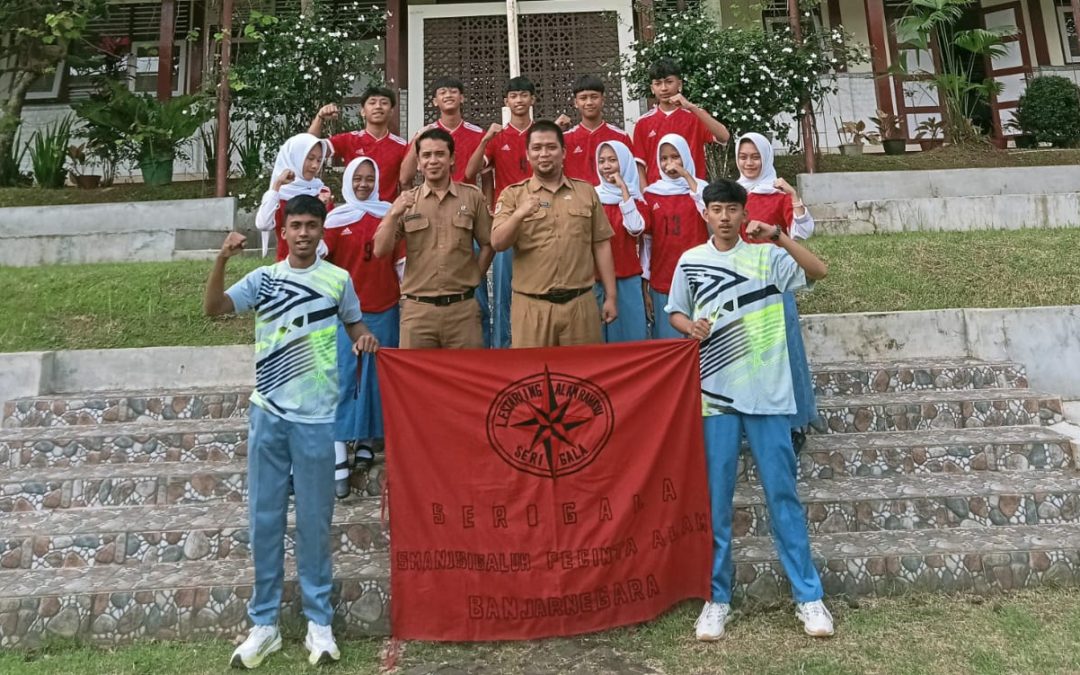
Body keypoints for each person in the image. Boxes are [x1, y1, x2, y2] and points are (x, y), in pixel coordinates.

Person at [204, 195, 379, 668]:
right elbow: (214, 308)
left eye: (311, 226)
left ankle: (319, 621)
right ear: (283, 232)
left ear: (321, 232)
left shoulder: (337, 280)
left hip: (318, 420)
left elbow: (356, 325)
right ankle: (264, 624)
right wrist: (221, 260)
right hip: (269, 415)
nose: (303, 233)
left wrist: (364, 338)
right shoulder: (264, 279)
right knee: (265, 521)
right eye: (295, 225)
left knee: (315, 523)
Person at [665, 179, 832, 642]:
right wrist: (689, 327)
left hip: (769, 394)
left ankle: (808, 595)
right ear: (705, 214)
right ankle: (716, 599)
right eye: (716, 209)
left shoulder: (768, 257)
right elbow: (675, 311)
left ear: (744, 213)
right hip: (715, 397)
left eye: (731, 210)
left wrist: (778, 235)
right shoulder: (690, 261)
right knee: (716, 500)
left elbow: (819, 271)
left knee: (783, 495)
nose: (724, 217)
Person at [491, 120, 617, 348]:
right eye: (537, 148)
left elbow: (601, 245)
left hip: (580, 305)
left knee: (584, 369)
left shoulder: (586, 192)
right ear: (527, 154)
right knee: (532, 370)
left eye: (551, 147)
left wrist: (611, 296)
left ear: (564, 152)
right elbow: (498, 243)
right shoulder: (513, 195)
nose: (544, 154)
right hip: (532, 307)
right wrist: (519, 214)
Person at [323, 157, 404, 499]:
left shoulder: (389, 214)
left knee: (376, 380)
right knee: (345, 380)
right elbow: (319, 260)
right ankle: (339, 452)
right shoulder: (334, 219)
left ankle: (368, 441)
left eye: (370, 178)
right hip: (346, 316)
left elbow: (400, 262)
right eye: (357, 178)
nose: (363, 184)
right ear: (347, 180)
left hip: (385, 308)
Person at [374, 127, 493, 348]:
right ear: (418, 163)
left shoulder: (472, 197)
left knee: (466, 369)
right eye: (426, 155)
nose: (433, 161)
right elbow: (380, 250)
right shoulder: (407, 202)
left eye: (440, 154)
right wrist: (393, 214)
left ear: (452, 159)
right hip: (418, 312)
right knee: (414, 371)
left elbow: (488, 244)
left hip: (463, 310)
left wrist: (476, 275)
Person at [736, 132, 817, 452]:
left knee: (785, 353)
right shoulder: (733, 194)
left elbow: (803, 232)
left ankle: (794, 423)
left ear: (766, 157)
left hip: (775, 282)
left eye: (755, 156)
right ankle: (753, 420)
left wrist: (794, 196)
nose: (749, 163)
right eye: (743, 156)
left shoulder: (777, 193)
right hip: (742, 284)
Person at [398, 76, 494, 346]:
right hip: (429, 213)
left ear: (462, 98)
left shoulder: (477, 133)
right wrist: (417, 139)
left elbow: (487, 178)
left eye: (454, 91)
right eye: (442, 92)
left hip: (467, 213)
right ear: (434, 101)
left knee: (476, 303)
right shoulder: (425, 135)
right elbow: (405, 177)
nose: (449, 95)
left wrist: (488, 206)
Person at [465, 76, 537, 348]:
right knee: (503, 289)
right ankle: (502, 346)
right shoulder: (498, 138)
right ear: (506, 101)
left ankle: (535, 343)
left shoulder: (542, 134)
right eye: (513, 96)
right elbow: (471, 172)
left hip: (539, 217)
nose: (519, 100)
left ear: (533, 99)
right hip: (506, 220)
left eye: (524, 95)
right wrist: (485, 139)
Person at [642, 133, 709, 339]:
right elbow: (647, 243)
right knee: (669, 342)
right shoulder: (651, 193)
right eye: (663, 158)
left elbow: (708, 213)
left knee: (701, 340)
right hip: (664, 279)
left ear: (686, 156)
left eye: (675, 156)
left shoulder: (700, 188)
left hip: (700, 278)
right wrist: (645, 284)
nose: (669, 163)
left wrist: (686, 176)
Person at [633, 57, 730, 185]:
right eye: (658, 83)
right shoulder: (643, 123)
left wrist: (691, 107)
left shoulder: (696, 115)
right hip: (658, 192)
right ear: (652, 88)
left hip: (692, 190)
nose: (663, 88)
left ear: (679, 84)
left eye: (669, 82)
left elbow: (724, 137)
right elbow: (640, 165)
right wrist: (645, 193)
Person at [309, 86, 407, 201]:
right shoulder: (349, 139)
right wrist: (320, 118)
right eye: (372, 102)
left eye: (384, 103)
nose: (378, 106)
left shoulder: (402, 146)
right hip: (354, 208)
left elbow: (406, 181)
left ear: (391, 112)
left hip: (388, 209)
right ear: (363, 112)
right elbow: (310, 147)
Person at [594, 140, 648, 342]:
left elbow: (635, 228)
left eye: (612, 160)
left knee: (630, 340)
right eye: (601, 161)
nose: (606, 166)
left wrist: (624, 190)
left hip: (627, 278)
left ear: (624, 162)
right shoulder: (592, 196)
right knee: (597, 342)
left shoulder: (637, 199)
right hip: (595, 279)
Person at [254, 133, 332, 260]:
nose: (315, 166)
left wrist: (320, 208)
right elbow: (263, 224)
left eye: (319, 160)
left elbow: (329, 237)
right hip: (286, 265)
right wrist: (276, 185)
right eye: (310, 158)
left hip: (318, 266)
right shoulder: (279, 195)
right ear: (295, 158)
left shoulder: (322, 192)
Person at [557, 74, 644, 187]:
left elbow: (632, 176)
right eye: (583, 98)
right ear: (576, 103)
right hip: (577, 197)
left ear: (603, 100)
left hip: (614, 197)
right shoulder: (565, 139)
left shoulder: (621, 137)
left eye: (594, 97)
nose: (589, 102)